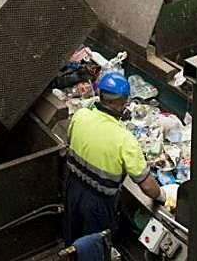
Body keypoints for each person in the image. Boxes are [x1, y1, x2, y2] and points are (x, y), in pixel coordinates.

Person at [62, 71, 164, 247]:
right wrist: (161, 196)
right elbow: (147, 186)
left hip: (72, 189)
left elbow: (72, 142)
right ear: (122, 104)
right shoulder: (125, 140)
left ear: (100, 95)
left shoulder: (81, 116)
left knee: (73, 240)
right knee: (96, 248)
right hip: (98, 205)